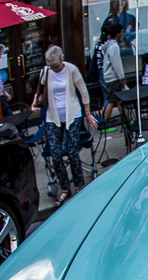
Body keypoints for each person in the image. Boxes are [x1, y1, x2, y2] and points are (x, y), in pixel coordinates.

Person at [32, 46, 97, 206]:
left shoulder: (71, 70)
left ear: (61, 60)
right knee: (55, 155)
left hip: (72, 114)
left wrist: (87, 113)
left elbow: (83, 91)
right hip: (53, 116)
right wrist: (35, 102)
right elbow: (40, 90)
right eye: (52, 67)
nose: (54, 69)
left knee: (73, 152)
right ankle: (65, 188)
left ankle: (79, 185)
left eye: (56, 66)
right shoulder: (45, 72)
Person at [102, 23, 127, 122]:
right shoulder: (114, 47)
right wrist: (122, 78)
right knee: (112, 101)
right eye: (121, 30)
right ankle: (105, 121)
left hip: (110, 77)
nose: (122, 32)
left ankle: (125, 119)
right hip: (114, 78)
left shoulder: (109, 45)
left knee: (118, 100)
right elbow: (117, 64)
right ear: (118, 33)